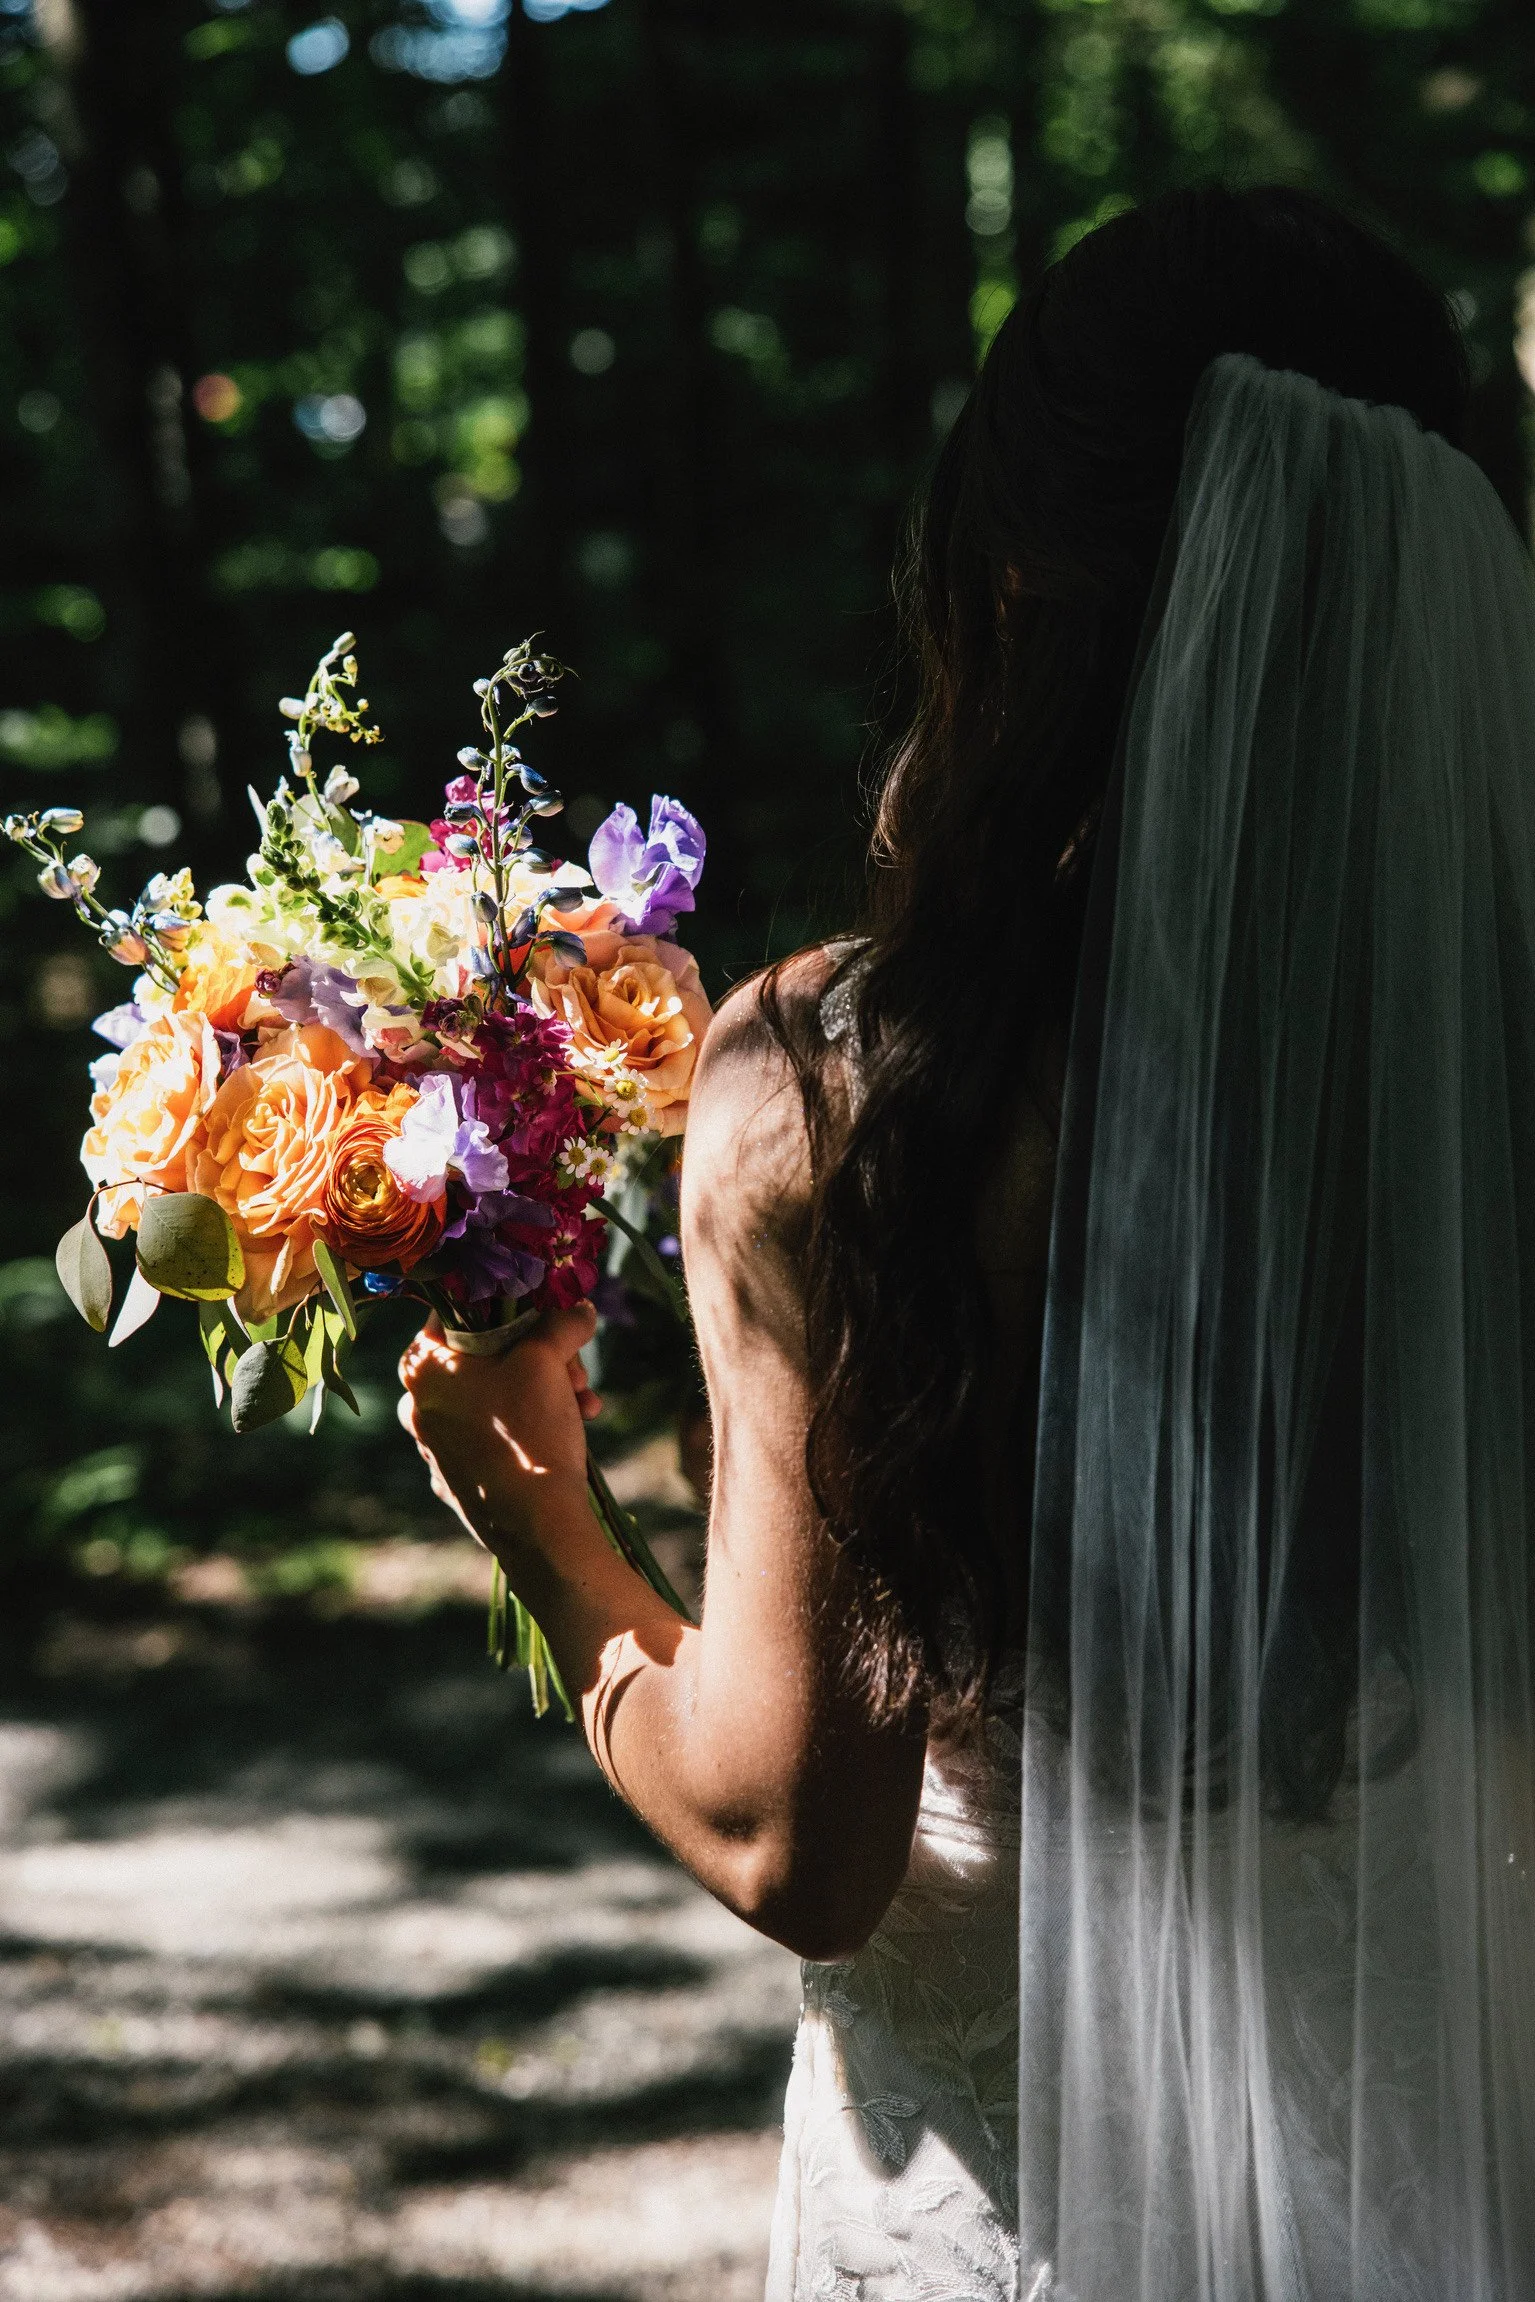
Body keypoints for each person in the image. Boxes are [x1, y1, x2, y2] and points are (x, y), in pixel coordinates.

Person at [400, 186, 1535, 2301]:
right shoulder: (1492, 1081)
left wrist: (535, 1512)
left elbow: (784, 1838)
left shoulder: (847, 1090)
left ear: (1010, 582)